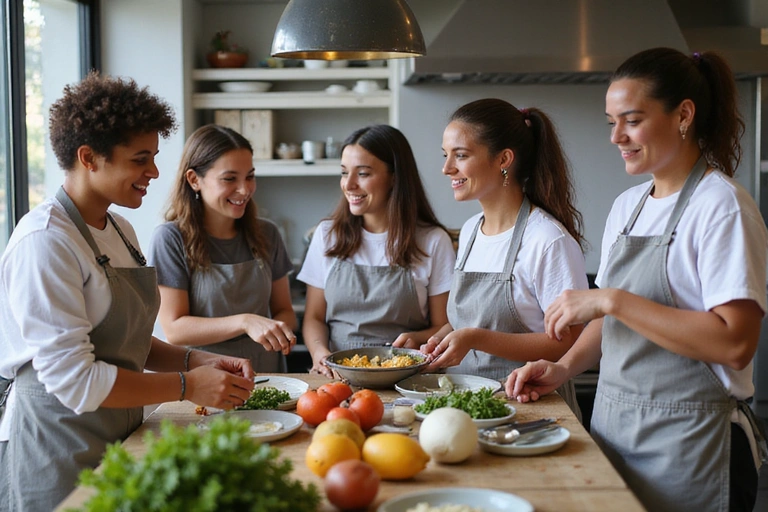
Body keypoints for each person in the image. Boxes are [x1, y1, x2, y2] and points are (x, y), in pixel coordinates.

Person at [507, 48, 768, 512]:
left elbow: (735, 344)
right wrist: (563, 369)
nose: (616, 136)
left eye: (631, 120)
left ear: (683, 114)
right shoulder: (629, 206)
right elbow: (610, 324)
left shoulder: (721, 206)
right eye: (611, 122)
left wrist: (611, 299)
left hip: (691, 445)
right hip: (616, 430)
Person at [0, 73, 256, 512]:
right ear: (89, 157)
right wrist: (186, 385)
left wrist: (202, 360)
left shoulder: (121, 229)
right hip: (57, 448)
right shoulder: (45, 242)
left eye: (153, 157)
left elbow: (127, 341)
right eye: (141, 159)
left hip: (119, 436)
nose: (155, 172)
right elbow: (76, 381)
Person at [406, 98, 587, 418]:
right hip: (467, 406)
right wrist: (443, 337)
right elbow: (474, 317)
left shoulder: (547, 240)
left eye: (460, 155)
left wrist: (474, 338)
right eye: (446, 155)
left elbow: (568, 341)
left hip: (532, 409)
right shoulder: (471, 230)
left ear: (504, 159)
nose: (447, 168)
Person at [298, 124, 456, 376]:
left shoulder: (433, 241)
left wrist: (416, 340)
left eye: (362, 174)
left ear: (394, 177)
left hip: (409, 378)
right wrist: (320, 354)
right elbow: (314, 317)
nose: (348, 185)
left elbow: (444, 325)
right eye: (343, 172)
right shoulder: (327, 235)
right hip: (339, 375)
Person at [149, 125, 297, 372]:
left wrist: (277, 330)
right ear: (194, 180)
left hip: (268, 374)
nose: (244, 189)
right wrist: (245, 322)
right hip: (204, 379)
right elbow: (175, 329)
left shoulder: (267, 234)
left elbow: (285, 311)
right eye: (230, 179)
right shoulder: (170, 238)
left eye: (249, 176)